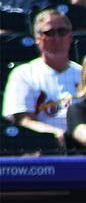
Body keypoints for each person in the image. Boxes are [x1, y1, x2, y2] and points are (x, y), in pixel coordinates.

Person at [2, 9, 81, 147]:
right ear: (37, 38)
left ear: (70, 36)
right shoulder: (23, 74)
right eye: (49, 33)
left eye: (62, 32)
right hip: (44, 147)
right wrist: (54, 133)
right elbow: (23, 120)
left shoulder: (84, 73)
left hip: (84, 145)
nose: (56, 38)